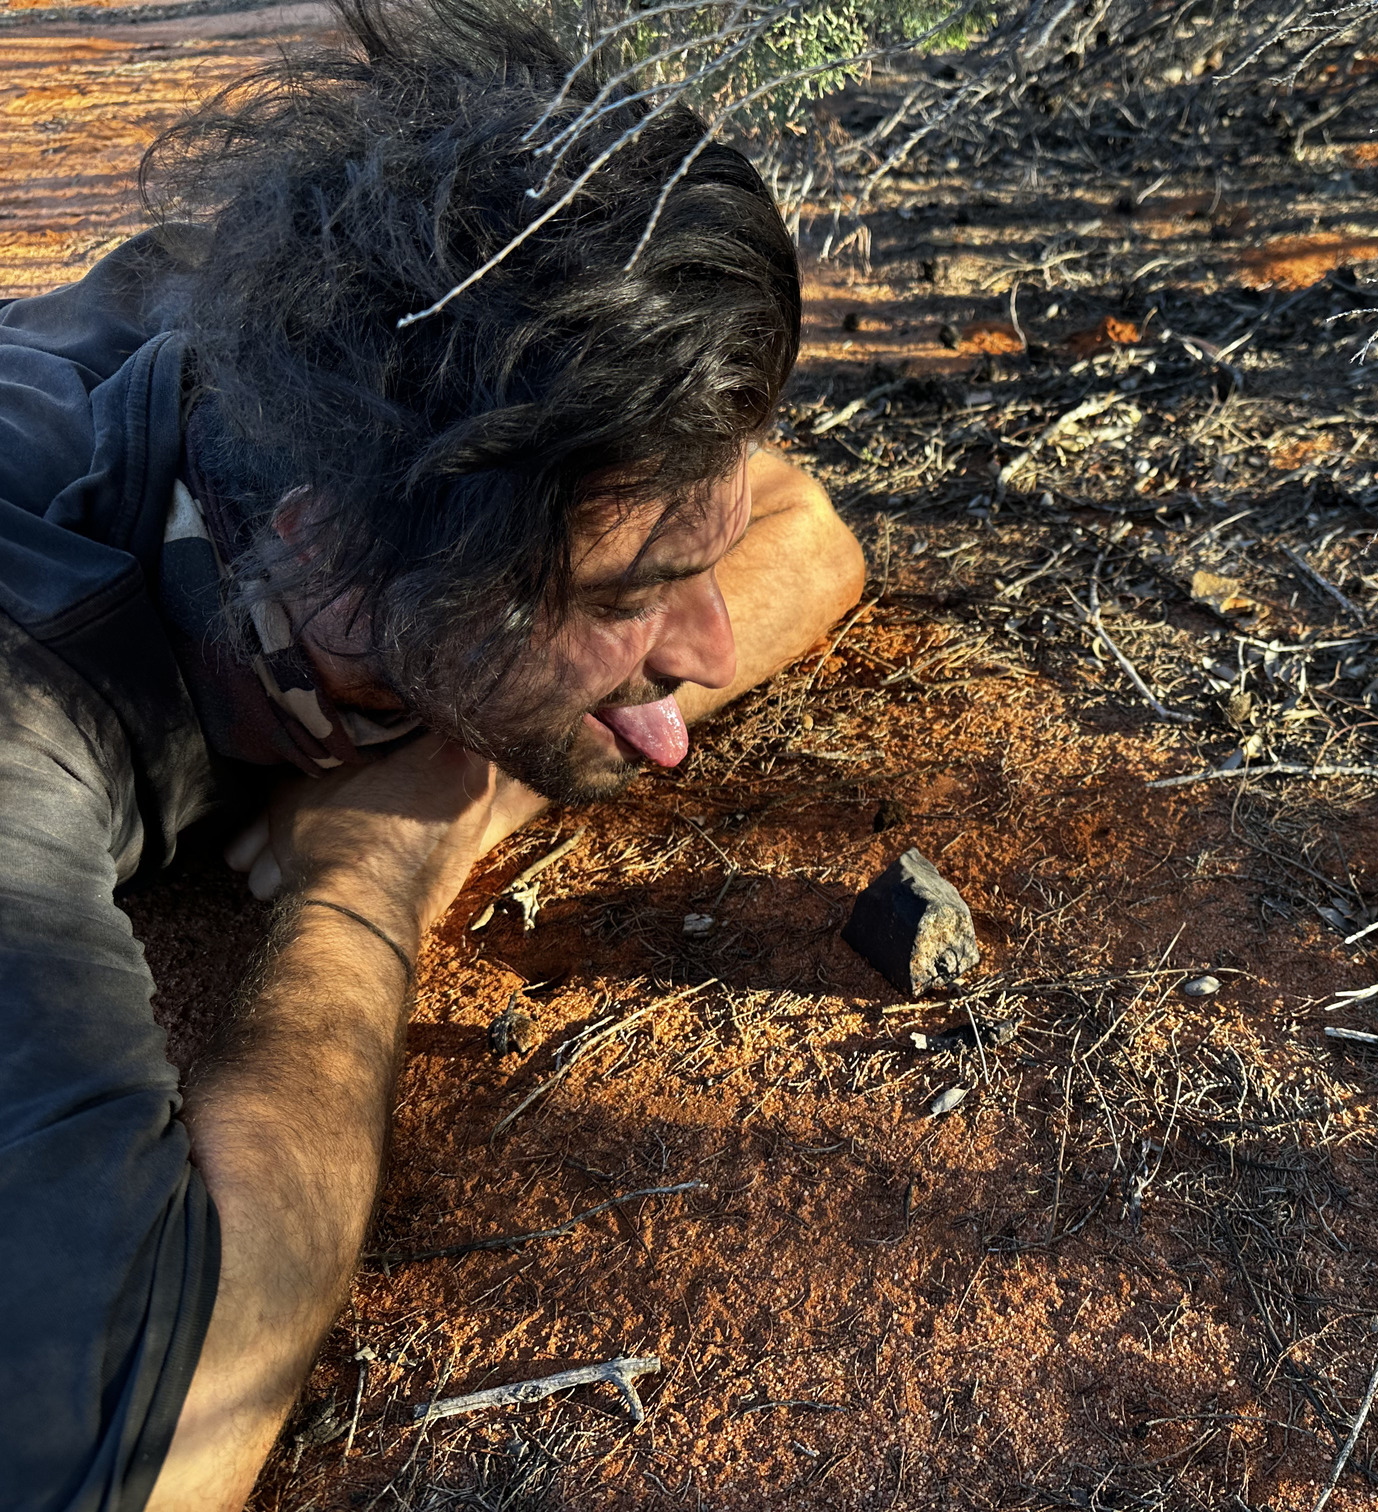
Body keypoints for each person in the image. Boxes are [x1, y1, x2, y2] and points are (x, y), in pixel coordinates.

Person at [0, 2, 865, 1507]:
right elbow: (145, 1447)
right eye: (623, 601)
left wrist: (497, 749)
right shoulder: (29, 701)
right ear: (333, 564)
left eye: (688, 569)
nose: (710, 655)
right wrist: (374, 877)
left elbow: (812, 529)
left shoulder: (368, 331)